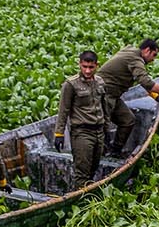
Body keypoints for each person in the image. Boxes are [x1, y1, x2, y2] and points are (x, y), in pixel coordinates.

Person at [53, 49, 130, 186]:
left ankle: (88, 197)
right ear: (79, 65)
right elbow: (63, 110)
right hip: (82, 132)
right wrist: (59, 133)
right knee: (82, 173)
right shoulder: (71, 84)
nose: (87, 71)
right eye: (84, 67)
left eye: (91, 67)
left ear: (97, 66)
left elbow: (104, 108)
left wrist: (106, 130)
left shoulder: (100, 82)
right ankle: (80, 201)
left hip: (98, 131)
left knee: (93, 168)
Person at [96, 39, 159, 156]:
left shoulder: (130, 50)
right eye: (154, 55)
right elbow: (145, 81)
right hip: (103, 94)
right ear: (147, 50)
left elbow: (139, 79)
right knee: (102, 127)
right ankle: (100, 155)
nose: (153, 59)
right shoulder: (135, 59)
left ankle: (115, 150)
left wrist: (153, 94)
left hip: (114, 96)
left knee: (128, 120)